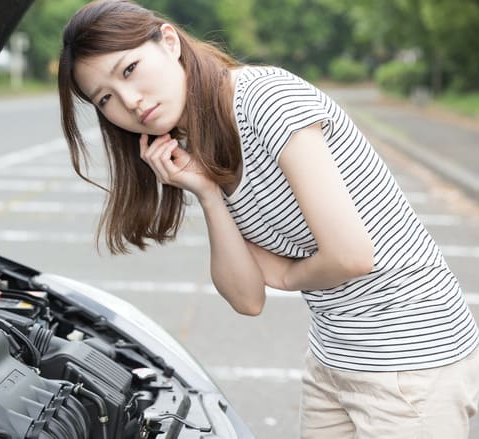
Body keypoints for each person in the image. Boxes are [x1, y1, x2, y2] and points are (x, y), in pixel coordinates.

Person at [57, 1, 479, 437]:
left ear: (168, 42)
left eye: (129, 70)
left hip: (412, 358)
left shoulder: (266, 100)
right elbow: (247, 299)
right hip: (335, 356)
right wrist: (206, 192)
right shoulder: (198, 143)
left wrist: (287, 274)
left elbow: (351, 256)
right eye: (104, 97)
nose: (129, 101)